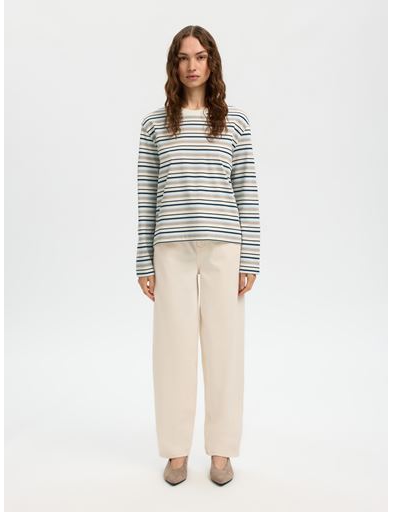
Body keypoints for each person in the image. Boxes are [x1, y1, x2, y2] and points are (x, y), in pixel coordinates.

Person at [135, 25, 260, 486]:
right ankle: (176, 452)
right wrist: (143, 261)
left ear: (212, 63)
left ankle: (222, 451)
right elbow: (147, 195)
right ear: (174, 64)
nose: (192, 66)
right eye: (184, 57)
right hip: (171, 249)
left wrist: (251, 258)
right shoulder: (154, 125)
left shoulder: (235, 122)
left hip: (224, 248)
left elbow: (246, 190)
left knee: (224, 350)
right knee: (173, 352)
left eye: (201, 57)